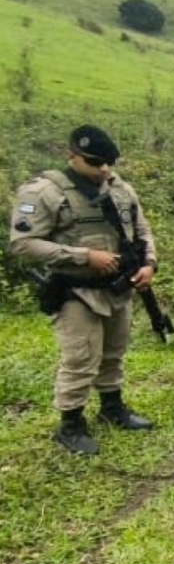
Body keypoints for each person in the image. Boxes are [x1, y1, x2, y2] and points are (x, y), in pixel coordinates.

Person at [8, 125, 158, 456]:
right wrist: (84, 256)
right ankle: (71, 425)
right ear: (71, 156)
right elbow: (23, 244)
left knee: (113, 352)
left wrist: (149, 264)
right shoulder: (43, 192)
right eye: (94, 162)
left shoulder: (120, 189)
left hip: (118, 288)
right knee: (80, 358)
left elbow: (142, 230)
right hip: (75, 290)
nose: (103, 169)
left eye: (109, 162)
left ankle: (112, 408)